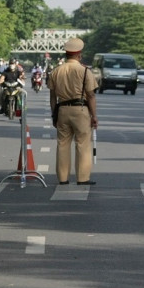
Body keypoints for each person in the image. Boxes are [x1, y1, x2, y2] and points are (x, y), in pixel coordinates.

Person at [47, 38, 98, 185]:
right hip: (81, 110)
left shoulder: (56, 71)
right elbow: (91, 95)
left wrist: (54, 114)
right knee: (82, 144)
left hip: (62, 109)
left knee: (63, 144)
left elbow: (52, 97)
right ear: (79, 55)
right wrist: (94, 116)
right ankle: (82, 178)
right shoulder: (84, 71)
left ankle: (63, 178)